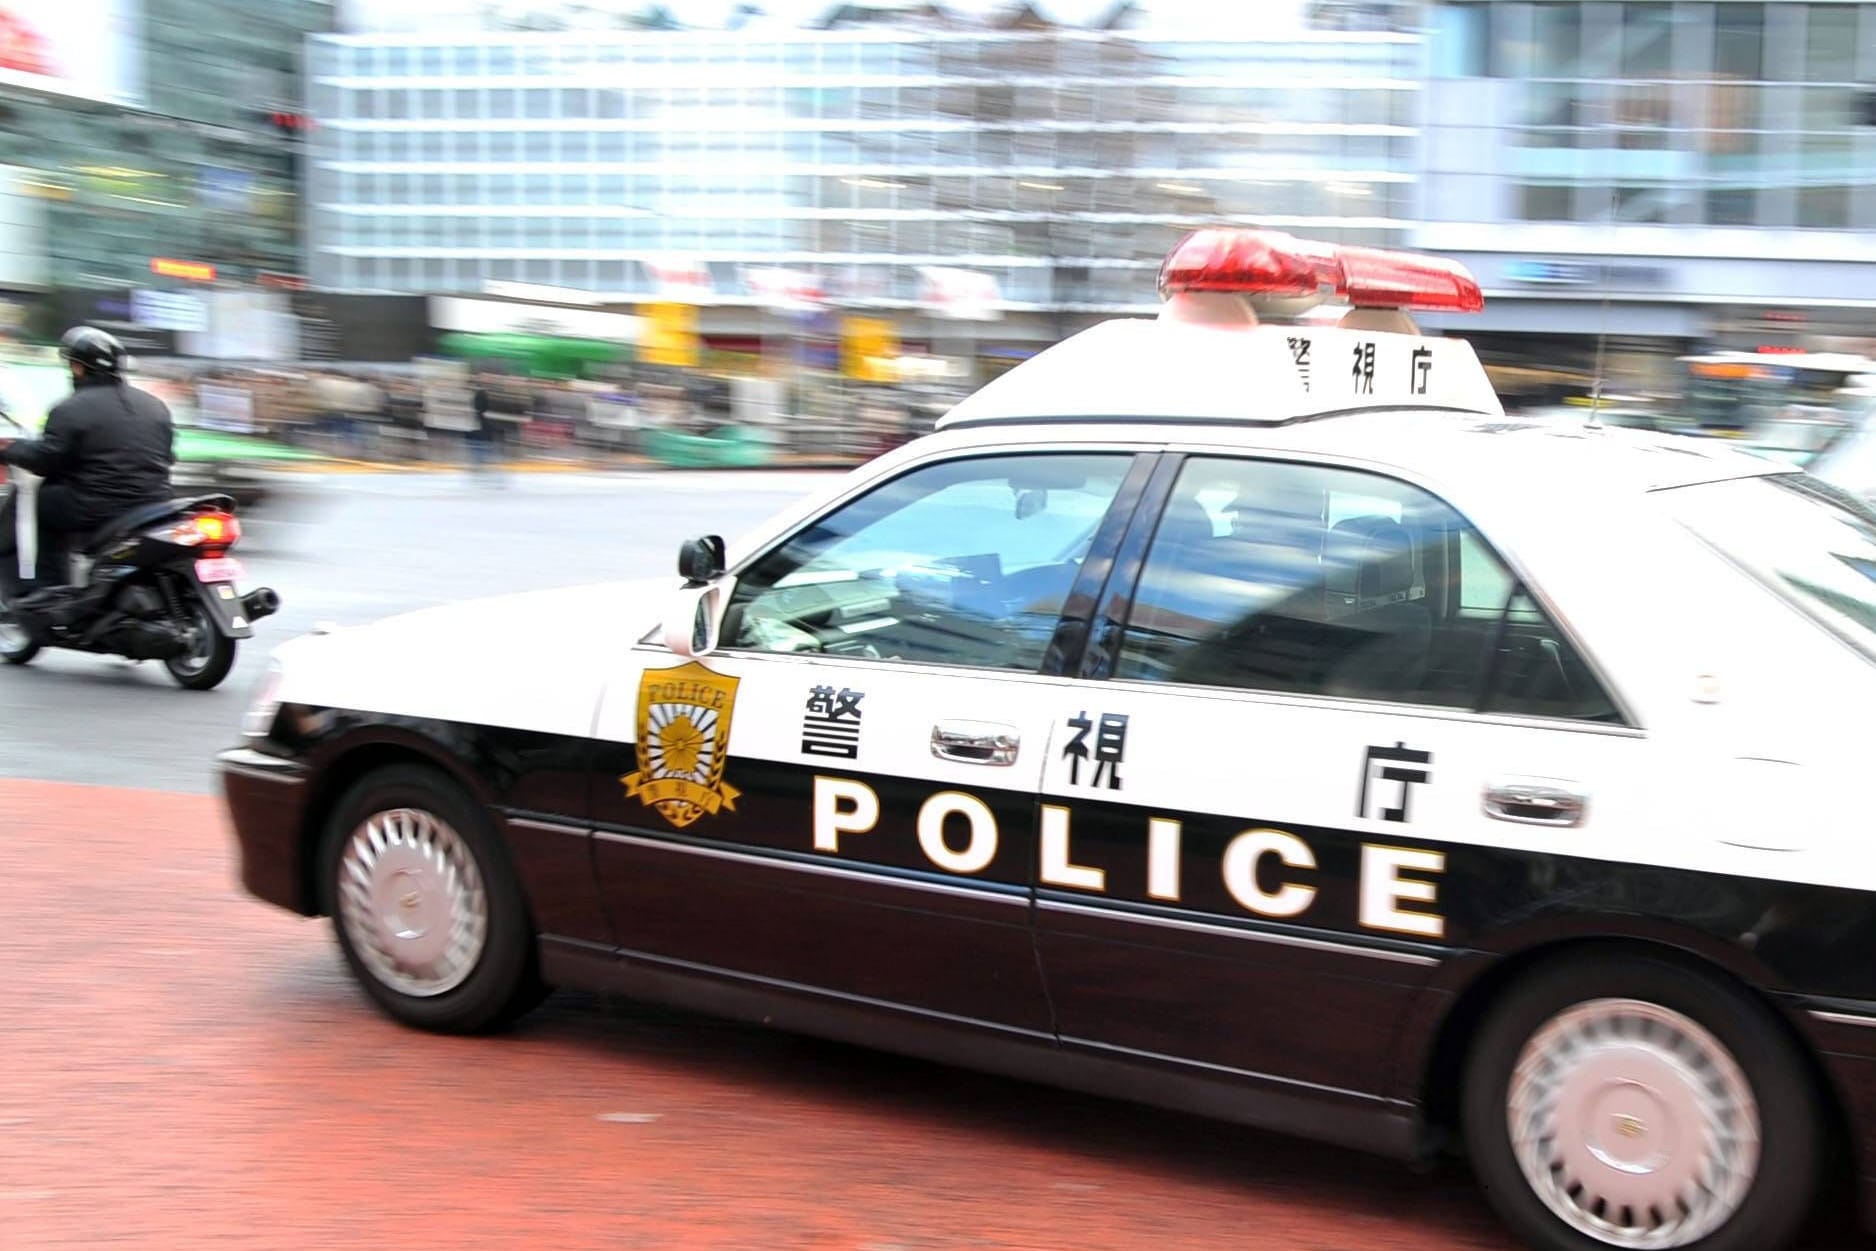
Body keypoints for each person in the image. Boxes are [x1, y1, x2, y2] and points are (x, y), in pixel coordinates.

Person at [0, 327, 174, 598]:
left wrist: (10, 449)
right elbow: (167, 455)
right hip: (154, 505)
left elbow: (46, 460)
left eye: (71, 365)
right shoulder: (155, 406)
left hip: (96, 507)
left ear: (79, 368)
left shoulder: (71, 408)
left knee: (40, 502)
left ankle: (45, 592)